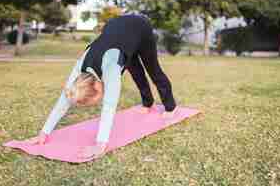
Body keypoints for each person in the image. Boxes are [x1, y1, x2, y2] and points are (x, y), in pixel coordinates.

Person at [27, 14, 177, 159]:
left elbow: (109, 106)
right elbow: (65, 98)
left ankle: (170, 106)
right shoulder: (81, 67)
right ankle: (148, 103)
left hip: (140, 28)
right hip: (119, 33)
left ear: (98, 87)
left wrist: (100, 144)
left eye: (96, 101)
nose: (99, 103)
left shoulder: (110, 68)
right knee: (135, 69)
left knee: (153, 69)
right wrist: (44, 132)